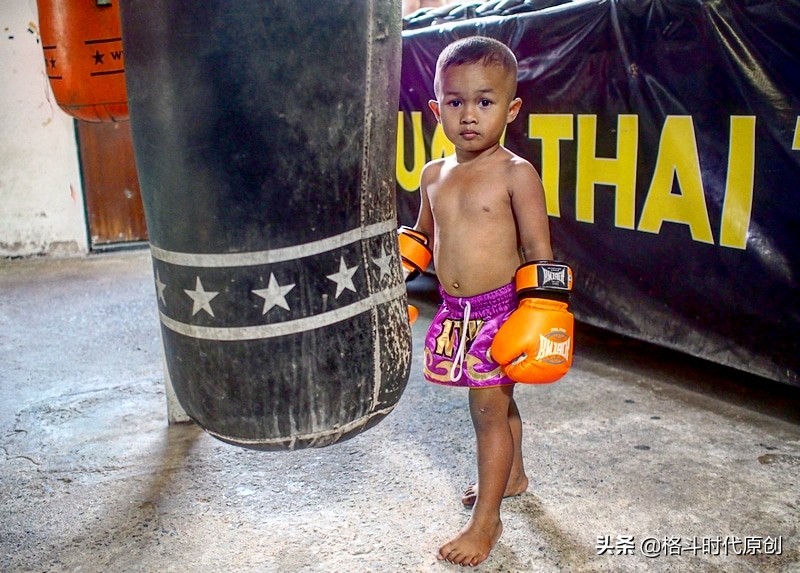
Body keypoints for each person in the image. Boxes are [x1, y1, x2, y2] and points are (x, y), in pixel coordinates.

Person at [397, 36, 574, 567]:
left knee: (487, 411)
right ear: (437, 110)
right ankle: (513, 476)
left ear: (511, 109)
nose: (469, 115)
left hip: (500, 311)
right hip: (455, 315)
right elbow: (421, 239)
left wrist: (543, 315)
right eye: (456, 101)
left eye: (485, 101)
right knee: (498, 405)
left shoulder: (516, 174)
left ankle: (486, 520)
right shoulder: (433, 175)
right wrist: (394, 281)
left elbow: (540, 252)